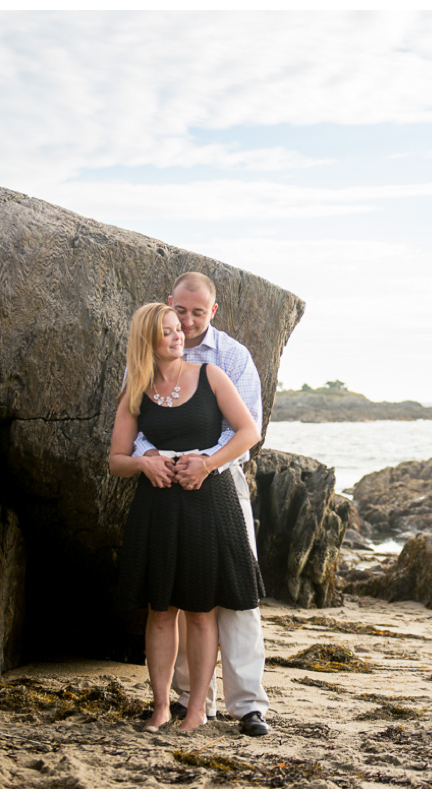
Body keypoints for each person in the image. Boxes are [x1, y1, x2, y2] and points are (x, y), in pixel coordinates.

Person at [130, 272, 272, 737]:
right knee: (183, 594)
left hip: (221, 479)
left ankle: (248, 703)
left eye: (197, 313)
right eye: (181, 310)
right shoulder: (154, 349)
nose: (186, 322)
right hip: (167, 486)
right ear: (170, 303)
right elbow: (141, 425)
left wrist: (205, 462)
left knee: (235, 591)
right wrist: (147, 457)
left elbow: (245, 430)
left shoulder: (230, 357)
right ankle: (194, 700)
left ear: (212, 312)